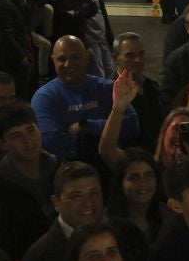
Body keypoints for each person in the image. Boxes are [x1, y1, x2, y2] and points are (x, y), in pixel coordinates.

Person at [21, 161, 150, 261]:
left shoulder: (128, 233)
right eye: (76, 196)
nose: (88, 203)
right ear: (56, 202)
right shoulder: (37, 259)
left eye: (93, 193)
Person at [33, 36, 139, 165]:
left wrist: (86, 126)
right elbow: (54, 142)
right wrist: (107, 142)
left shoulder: (109, 88)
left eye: (75, 57)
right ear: (53, 60)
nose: (68, 64)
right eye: (61, 59)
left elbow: (131, 125)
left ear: (87, 57)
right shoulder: (44, 98)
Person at [0, 102, 61, 257]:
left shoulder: (60, 167)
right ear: (2, 144)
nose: (27, 140)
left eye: (31, 131)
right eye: (16, 136)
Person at [112, 32, 168, 150]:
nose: (138, 60)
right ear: (115, 58)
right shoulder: (108, 92)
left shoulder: (153, 87)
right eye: (130, 55)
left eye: (141, 54)